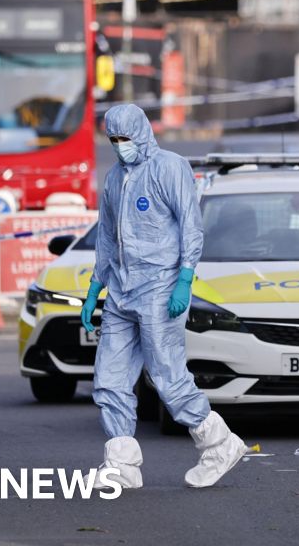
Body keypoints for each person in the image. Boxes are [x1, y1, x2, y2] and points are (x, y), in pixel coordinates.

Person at [80, 104, 246, 489]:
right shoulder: (114, 178)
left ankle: (219, 443)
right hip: (121, 290)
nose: (121, 146)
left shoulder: (169, 168)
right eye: (114, 139)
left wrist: (185, 278)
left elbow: (191, 225)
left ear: (142, 132)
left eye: (126, 138)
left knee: (166, 376)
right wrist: (94, 289)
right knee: (109, 378)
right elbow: (106, 237)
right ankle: (122, 464)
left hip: (159, 286)